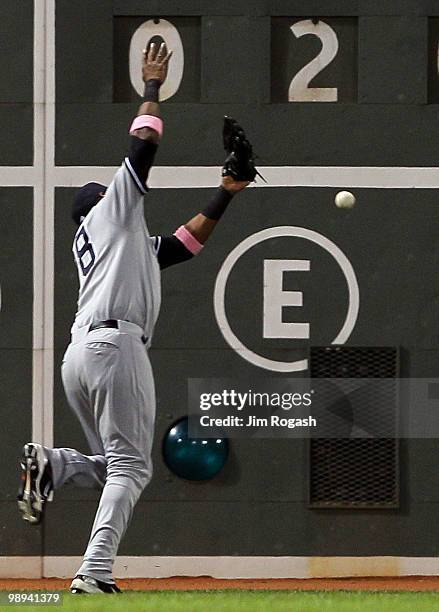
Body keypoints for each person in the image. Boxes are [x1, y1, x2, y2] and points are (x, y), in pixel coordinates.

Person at [17, 42, 250, 594]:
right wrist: (150, 86)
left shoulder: (120, 241)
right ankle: (93, 574)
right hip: (114, 345)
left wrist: (226, 191)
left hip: (82, 353)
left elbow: (184, 244)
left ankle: (55, 464)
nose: (121, 189)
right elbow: (144, 143)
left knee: (118, 462)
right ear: (100, 203)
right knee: (132, 469)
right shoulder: (110, 213)